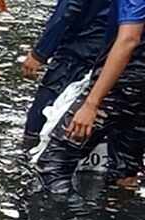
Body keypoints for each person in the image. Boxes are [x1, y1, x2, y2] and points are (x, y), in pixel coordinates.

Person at [36, 0, 145, 191]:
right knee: (125, 168)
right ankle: (120, 207)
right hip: (137, 89)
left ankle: (60, 210)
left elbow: (129, 39)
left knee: (52, 166)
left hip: (122, 81)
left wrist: (91, 104)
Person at [22, 0, 113, 148]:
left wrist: (40, 53)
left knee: (41, 116)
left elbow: (67, 10)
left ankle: (30, 149)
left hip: (77, 51)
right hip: (111, 57)